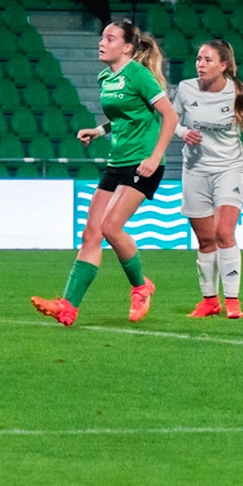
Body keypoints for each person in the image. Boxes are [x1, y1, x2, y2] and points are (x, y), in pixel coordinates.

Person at [32, 20, 177, 327]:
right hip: (118, 162)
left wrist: (155, 156)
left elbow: (169, 115)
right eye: (102, 37)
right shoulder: (105, 77)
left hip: (143, 163)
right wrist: (99, 131)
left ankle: (141, 287)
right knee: (91, 233)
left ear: (127, 47)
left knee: (111, 227)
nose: (102, 42)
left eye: (110, 38)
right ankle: (67, 307)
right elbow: (127, 116)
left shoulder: (138, 74)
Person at [173, 40, 243, 319]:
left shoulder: (239, 92)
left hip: (230, 168)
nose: (200, 64)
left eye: (208, 60)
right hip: (195, 169)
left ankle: (233, 300)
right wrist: (182, 132)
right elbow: (169, 120)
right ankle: (210, 301)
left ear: (223, 66)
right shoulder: (185, 89)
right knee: (205, 240)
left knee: (223, 232)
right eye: (198, 58)